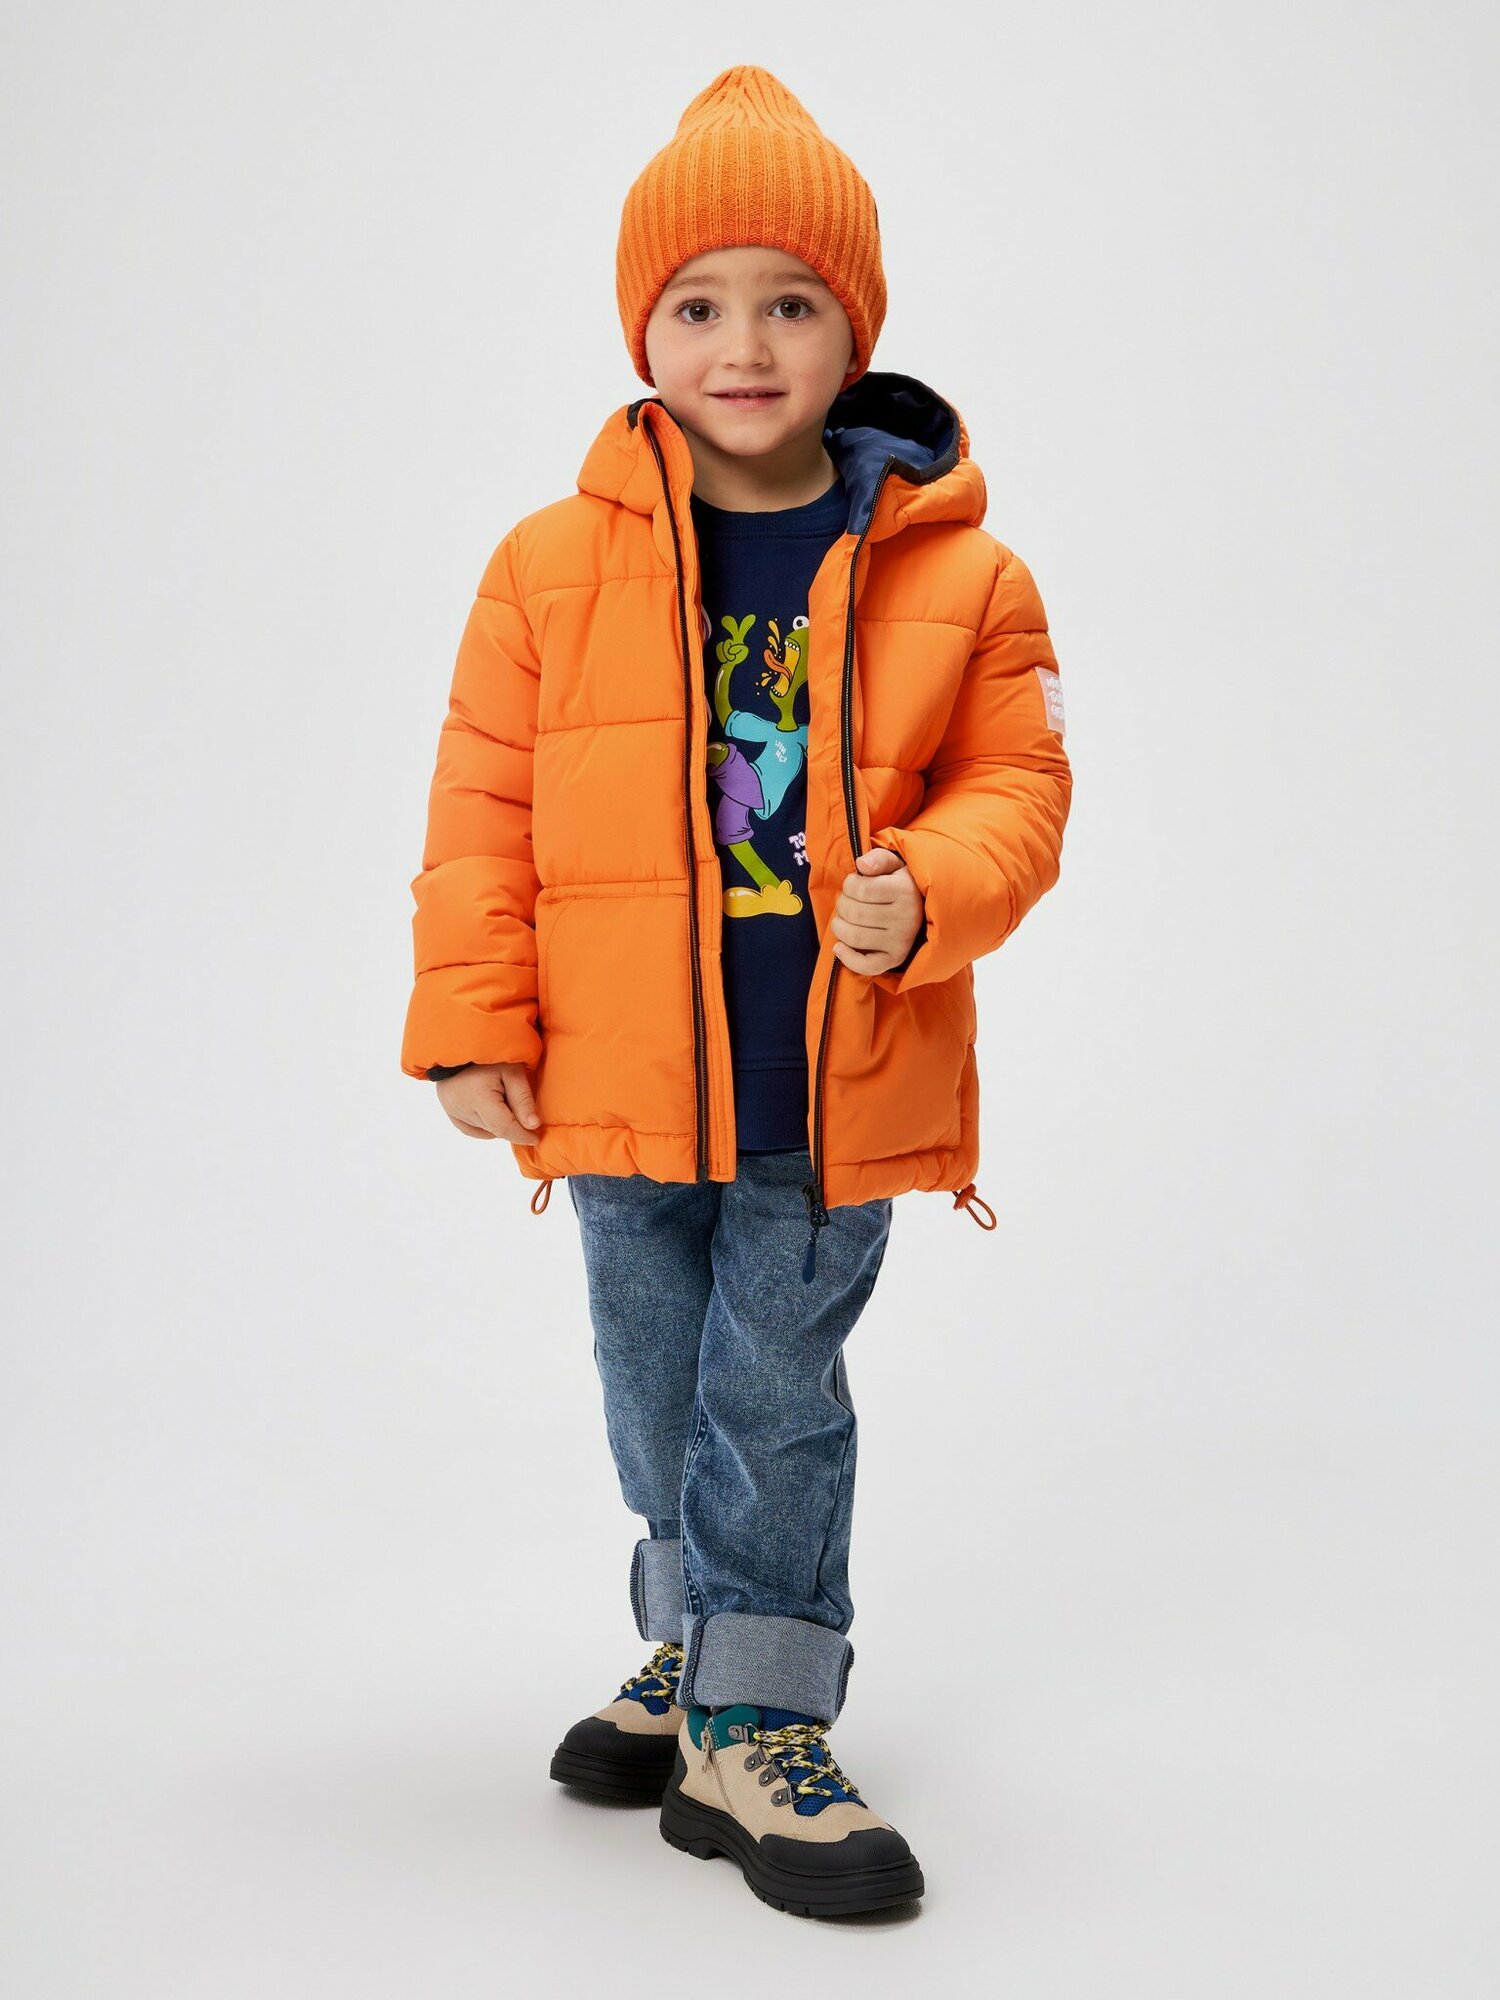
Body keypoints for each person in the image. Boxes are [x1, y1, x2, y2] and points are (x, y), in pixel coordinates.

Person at [400, 64, 1072, 1918]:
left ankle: (759, 1715)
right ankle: (694, 1640)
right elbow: (481, 806)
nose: (746, 344)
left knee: (770, 1391)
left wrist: (928, 891)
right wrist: (472, 1018)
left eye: (791, 302)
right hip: (620, 1075)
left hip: (831, 1078)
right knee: (657, 1385)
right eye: (698, 304)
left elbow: (1023, 791)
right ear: (643, 331)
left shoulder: (963, 570)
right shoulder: (547, 567)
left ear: (858, 329)